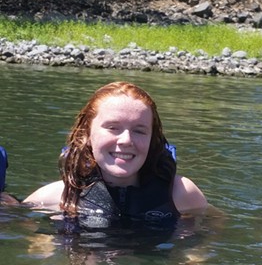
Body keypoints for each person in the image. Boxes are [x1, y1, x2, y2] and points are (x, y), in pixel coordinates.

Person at [23, 81, 208, 234]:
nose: (126, 140)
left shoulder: (182, 194)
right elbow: (21, 224)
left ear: (152, 139)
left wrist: (193, 255)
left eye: (139, 131)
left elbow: (215, 225)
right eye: (112, 128)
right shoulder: (54, 198)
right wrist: (41, 242)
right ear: (85, 135)